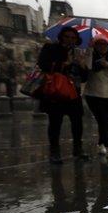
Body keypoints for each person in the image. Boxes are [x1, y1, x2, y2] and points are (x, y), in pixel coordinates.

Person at [37, 27, 88, 164]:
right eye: (67, 36)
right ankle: (54, 152)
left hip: (73, 92)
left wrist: (82, 65)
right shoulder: (50, 48)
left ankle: (78, 149)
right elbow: (43, 65)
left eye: (73, 37)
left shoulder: (78, 53)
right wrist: (65, 63)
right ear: (61, 37)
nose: (70, 40)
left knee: (77, 122)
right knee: (55, 122)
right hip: (56, 91)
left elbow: (84, 78)